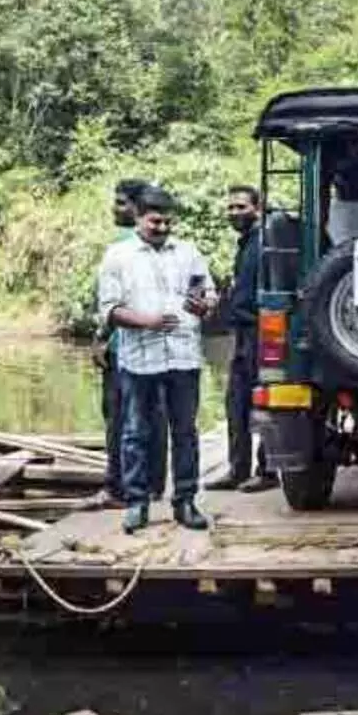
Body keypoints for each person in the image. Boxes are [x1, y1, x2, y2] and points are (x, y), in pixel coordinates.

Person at [96, 186, 219, 533]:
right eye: (155, 222)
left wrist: (206, 305)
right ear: (138, 218)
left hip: (183, 357)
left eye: (167, 222)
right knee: (135, 432)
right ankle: (137, 503)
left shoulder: (189, 253)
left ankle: (186, 501)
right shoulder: (117, 256)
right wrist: (145, 321)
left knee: (185, 432)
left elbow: (208, 294)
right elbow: (109, 309)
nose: (162, 228)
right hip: (139, 360)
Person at [93, 180, 167, 505]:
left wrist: (101, 338)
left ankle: (118, 489)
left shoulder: (124, 247)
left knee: (121, 420)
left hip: (126, 349)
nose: (115, 208)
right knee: (151, 416)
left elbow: (116, 303)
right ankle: (152, 484)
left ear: (137, 210)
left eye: (122, 203)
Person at [222, 184, 276, 492]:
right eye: (231, 207)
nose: (234, 213)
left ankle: (266, 470)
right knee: (236, 403)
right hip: (242, 333)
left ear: (257, 207)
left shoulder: (265, 243)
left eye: (241, 207)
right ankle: (237, 469)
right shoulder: (245, 244)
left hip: (261, 331)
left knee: (264, 402)